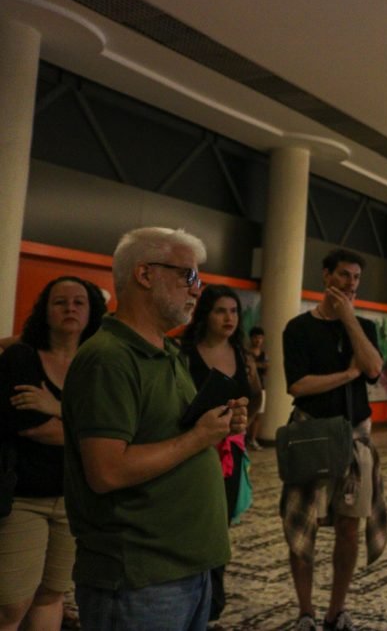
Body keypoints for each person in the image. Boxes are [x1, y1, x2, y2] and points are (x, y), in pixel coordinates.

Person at [61, 227, 248, 631]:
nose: (197, 290)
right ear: (145, 274)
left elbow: (169, 433)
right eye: (188, 277)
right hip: (139, 578)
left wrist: (217, 426)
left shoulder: (166, 351)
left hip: (185, 569)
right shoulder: (109, 358)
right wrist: (198, 437)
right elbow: (107, 470)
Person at [281, 249, 386, 631]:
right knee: (302, 525)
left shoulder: (365, 328)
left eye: (356, 277)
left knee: (349, 526)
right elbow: (298, 385)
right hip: (310, 434)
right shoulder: (298, 328)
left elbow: (373, 368)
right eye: (344, 275)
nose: (350, 283)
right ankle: (306, 612)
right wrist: (345, 376)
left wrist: (349, 321)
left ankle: (335, 611)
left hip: (355, 438)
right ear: (326, 276)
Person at [0, 276, 105, 631]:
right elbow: (31, 426)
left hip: (76, 498)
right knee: (10, 603)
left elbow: (118, 430)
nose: (70, 308)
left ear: (92, 312)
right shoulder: (21, 357)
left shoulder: (99, 364)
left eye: (79, 302)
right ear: (45, 311)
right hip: (24, 498)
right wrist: (87, 429)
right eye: (60, 302)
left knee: (52, 593)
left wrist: (57, 408)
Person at [180, 284, 261, 626]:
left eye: (233, 311)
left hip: (229, 451)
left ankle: (212, 594)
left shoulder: (242, 355)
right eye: (220, 311)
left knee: (220, 523)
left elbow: (255, 398)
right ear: (205, 314)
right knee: (190, 522)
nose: (229, 318)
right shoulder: (185, 352)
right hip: (192, 449)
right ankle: (187, 592)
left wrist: (243, 422)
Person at [247, 326, 269, 450]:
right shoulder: (246, 352)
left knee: (258, 415)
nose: (258, 340)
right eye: (256, 337)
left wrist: (257, 365)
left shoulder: (264, 354)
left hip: (261, 387)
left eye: (260, 338)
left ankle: (253, 439)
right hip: (248, 387)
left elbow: (266, 369)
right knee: (247, 413)